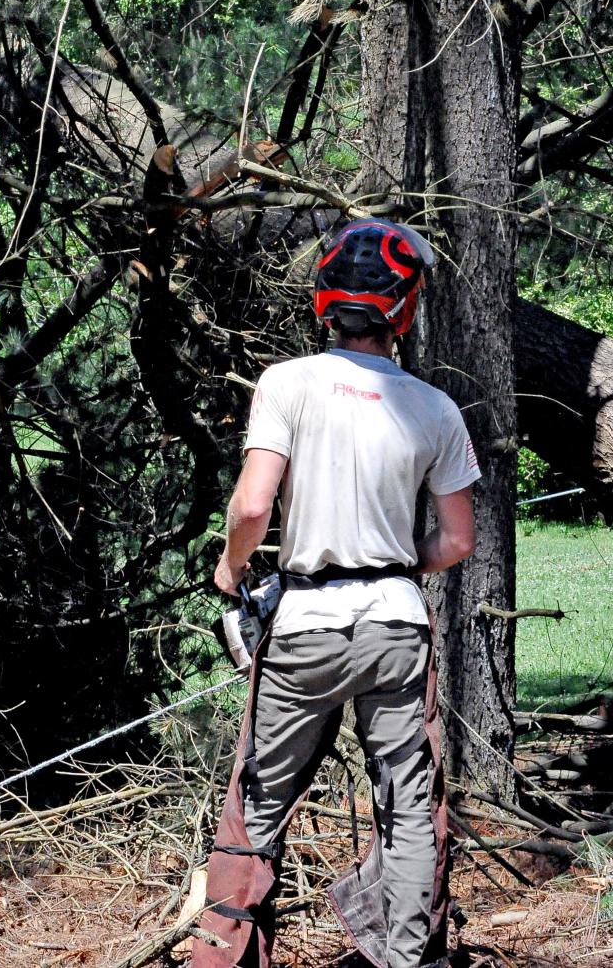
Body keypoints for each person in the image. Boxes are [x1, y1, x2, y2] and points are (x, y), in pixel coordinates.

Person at [192, 219, 481, 968]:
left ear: (326, 299)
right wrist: (389, 565)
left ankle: (222, 958)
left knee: (256, 806)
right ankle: (411, 958)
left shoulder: (287, 383)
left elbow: (254, 507)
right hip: (393, 624)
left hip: (302, 623)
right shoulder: (434, 410)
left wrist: (230, 570)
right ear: (403, 309)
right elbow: (455, 542)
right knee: (410, 808)